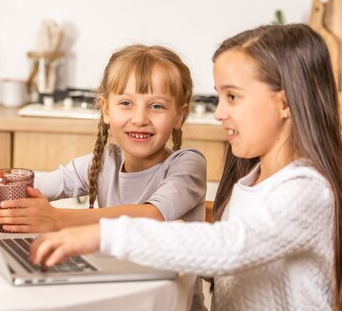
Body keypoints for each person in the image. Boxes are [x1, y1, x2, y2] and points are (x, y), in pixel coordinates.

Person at [29, 24, 342, 311]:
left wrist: (102, 234)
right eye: (220, 97)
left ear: (284, 103)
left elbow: (232, 248)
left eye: (232, 96)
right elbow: (225, 265)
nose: (219, 113)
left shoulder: (307, 190)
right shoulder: (251, 182)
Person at [0, 44, 207, 233]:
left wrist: (55, 219)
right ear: (106, 110)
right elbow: (37, 187)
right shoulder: (103, 162)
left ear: (179, 115)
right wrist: (2, 201)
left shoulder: (188, 165)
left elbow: (153, 216)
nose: (140, 119)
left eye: (156, 106)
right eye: (126, 103)